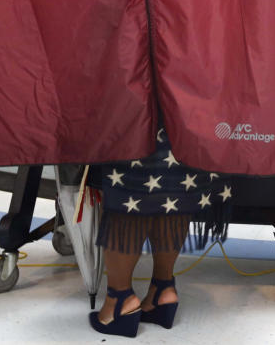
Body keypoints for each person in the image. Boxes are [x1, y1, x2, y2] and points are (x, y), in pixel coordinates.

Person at [89, 128, 231, 337]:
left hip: (134, 106)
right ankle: (162, 290)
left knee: (129, 184)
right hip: (192, 106)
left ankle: (119, 301)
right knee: (175, 185)